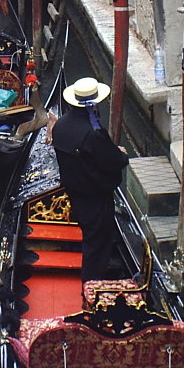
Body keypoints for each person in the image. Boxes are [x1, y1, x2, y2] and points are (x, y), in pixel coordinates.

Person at [48, 77, 130, 283]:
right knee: (97, 244)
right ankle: (91, 288)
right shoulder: (93, 134)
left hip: (75, 194)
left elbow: (91, 155)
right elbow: (112, 161)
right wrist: (121, 153)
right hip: (96, 198)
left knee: (90, 235)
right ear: (93, 103)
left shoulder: (61, 126)